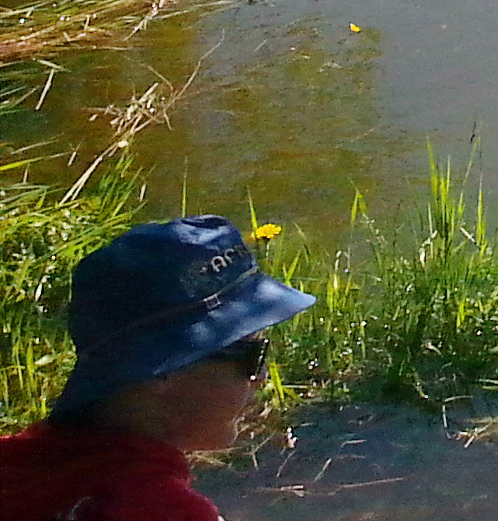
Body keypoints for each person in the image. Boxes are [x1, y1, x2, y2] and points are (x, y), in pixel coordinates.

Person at [0, 215, 314, 520]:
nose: (260, 378)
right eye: (252, 355)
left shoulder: (15, 462)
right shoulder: (160, 509)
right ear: (164, 369)